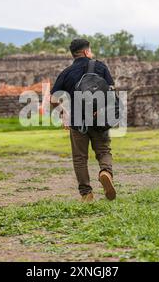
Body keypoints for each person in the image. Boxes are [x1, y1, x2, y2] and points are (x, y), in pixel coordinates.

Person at [50, 39, 116, 202]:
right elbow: (111, 91)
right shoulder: (100, 67)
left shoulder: (67, 72)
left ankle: (86, 193)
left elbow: (52, 99)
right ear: (86, 52)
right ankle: (105, 172)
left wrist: (63, 113)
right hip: (100, 117)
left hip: (77, 119)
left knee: (80, 157)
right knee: (104, 151)